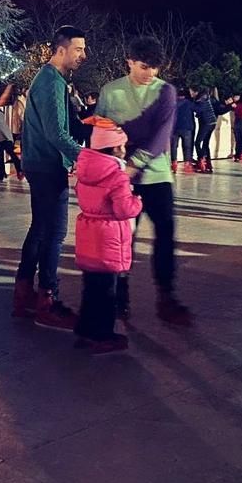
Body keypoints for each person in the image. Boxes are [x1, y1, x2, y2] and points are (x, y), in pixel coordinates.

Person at [97, 35, 190, 324]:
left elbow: (162, 134)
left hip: (157, 177)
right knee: (123, 239)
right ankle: (119, 293)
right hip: (121, 179)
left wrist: (133, 162)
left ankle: (166, 296)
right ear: (130, 62)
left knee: (164, 236)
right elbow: (101, 131)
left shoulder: (166, 91)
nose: (150, 73)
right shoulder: (111, 92)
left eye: (155, 68)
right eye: (144, 66)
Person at [13, 25, 87, 330]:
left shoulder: (50, 79)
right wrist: (87, 158)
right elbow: (56, 133)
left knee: (41, 228)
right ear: (61, 50)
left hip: (40, 163)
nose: (84, 55)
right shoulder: (51, 81)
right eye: (79, 49)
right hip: (46, 166)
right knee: (55, 232)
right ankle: (47, 300)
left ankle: (24, 294)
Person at [73, 118, 143, 354]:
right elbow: (124, 210)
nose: (125, 151)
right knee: (106, 293)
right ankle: (102, 335)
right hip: (108, 240)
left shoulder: (85, 171)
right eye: (122, 146)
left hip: (88, 235)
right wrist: (137, 202)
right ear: (114, 148)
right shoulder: (117, 176)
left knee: (90, 288)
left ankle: (84, 329)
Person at [192, 88, 222, 173]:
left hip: (206, 123)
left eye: (192, 91)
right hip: (212, 122)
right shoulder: (206, 98)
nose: (191, 93)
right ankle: (208, 163)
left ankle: (202, 162)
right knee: (205, 143)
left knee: (197, 143)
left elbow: (197, 109)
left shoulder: (200, 100)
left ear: (196, 92)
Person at [171, 87, 196, 174]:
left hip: (174, 128)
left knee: (174, 146)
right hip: (186, 128)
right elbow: (198, 109)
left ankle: (174, 163)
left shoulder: (172, 103)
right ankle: (187, 165)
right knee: (187, 147)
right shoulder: (189, 103)